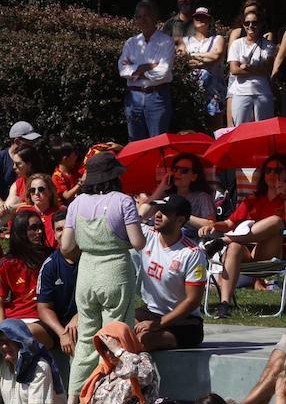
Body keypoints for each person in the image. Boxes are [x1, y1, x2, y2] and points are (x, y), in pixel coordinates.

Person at [63, 152, 145, 391]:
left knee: (87, 340)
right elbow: (138, 242)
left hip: (87, 271)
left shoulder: (76, 203)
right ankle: (108, 395)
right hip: (115, 271)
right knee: (115, 338)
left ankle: (75, 397)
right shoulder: (123, 201)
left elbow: (66, 246)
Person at [0, 208, 57, 386]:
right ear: (21, 232)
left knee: (16, 336)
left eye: (40, 227)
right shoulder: (6, 263)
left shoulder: (51, 257)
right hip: (12, 319)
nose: (39, 232)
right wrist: (2, 325)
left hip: (39, 320)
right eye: (33, 228)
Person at [204, 155, 286, 319]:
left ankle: (225, 241)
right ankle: (224, 305)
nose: (272, 174)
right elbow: (229, 223)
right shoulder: (254, 198)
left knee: (276, 222)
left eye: (278, 170)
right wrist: (212, 225)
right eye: (268, 170)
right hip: (251, 251)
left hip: (273, 251)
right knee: (234, 248)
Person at [63, 322, 159, 404]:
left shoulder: (142, 359)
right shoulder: (105, 373)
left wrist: (119, 351)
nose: (109, 352)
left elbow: (144, 374)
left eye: (112, 346)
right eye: (104, 348)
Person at [134, 195, 207, 350]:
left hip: (184, 322)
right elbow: (127, 220)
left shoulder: (192, 253)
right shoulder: (147, 235)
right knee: (116, 329)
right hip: (151, 312)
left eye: (165, 212)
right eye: (158, 209)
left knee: (142, 340)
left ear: (180, 221)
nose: (158, 215)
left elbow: (193, 301)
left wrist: (158, 324)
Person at [0, 321, 67, 404]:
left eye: (9, 341)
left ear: (21, 342)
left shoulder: (40, 367)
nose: (4, 346)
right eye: (1, 342)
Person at [119, 0, 175, 140]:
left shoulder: (166, 42)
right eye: (139, 16)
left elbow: (163, 72)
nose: (143, 20)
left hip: (157, 97)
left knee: (158, 143)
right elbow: (122, 69)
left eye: (147, 15)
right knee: (135, 144)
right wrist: (147, 67)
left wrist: (136, 71)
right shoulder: (131, 43)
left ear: (155, 17)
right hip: (134, 97)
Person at [136, 153, 217, 230]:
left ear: (194, 177)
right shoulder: (165, 196)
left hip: (187, 240)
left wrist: (182, 215)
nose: (177, 173)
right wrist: (162, 187)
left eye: (184, 170)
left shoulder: (201, 197)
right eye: (175, 169)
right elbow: (142, 214)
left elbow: (211, 224)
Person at [226, 6, 276, 126]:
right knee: (240, 130)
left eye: (255, 22)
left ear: (261, 24)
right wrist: (258, 69)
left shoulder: (268, 45)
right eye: (247, 23)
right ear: (243, 24)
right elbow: (234, 70)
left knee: (264, 130)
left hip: (262, 93)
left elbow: (268, 69)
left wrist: (247, 67)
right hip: (241, 93)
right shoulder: (237, 44)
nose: (250, 26)